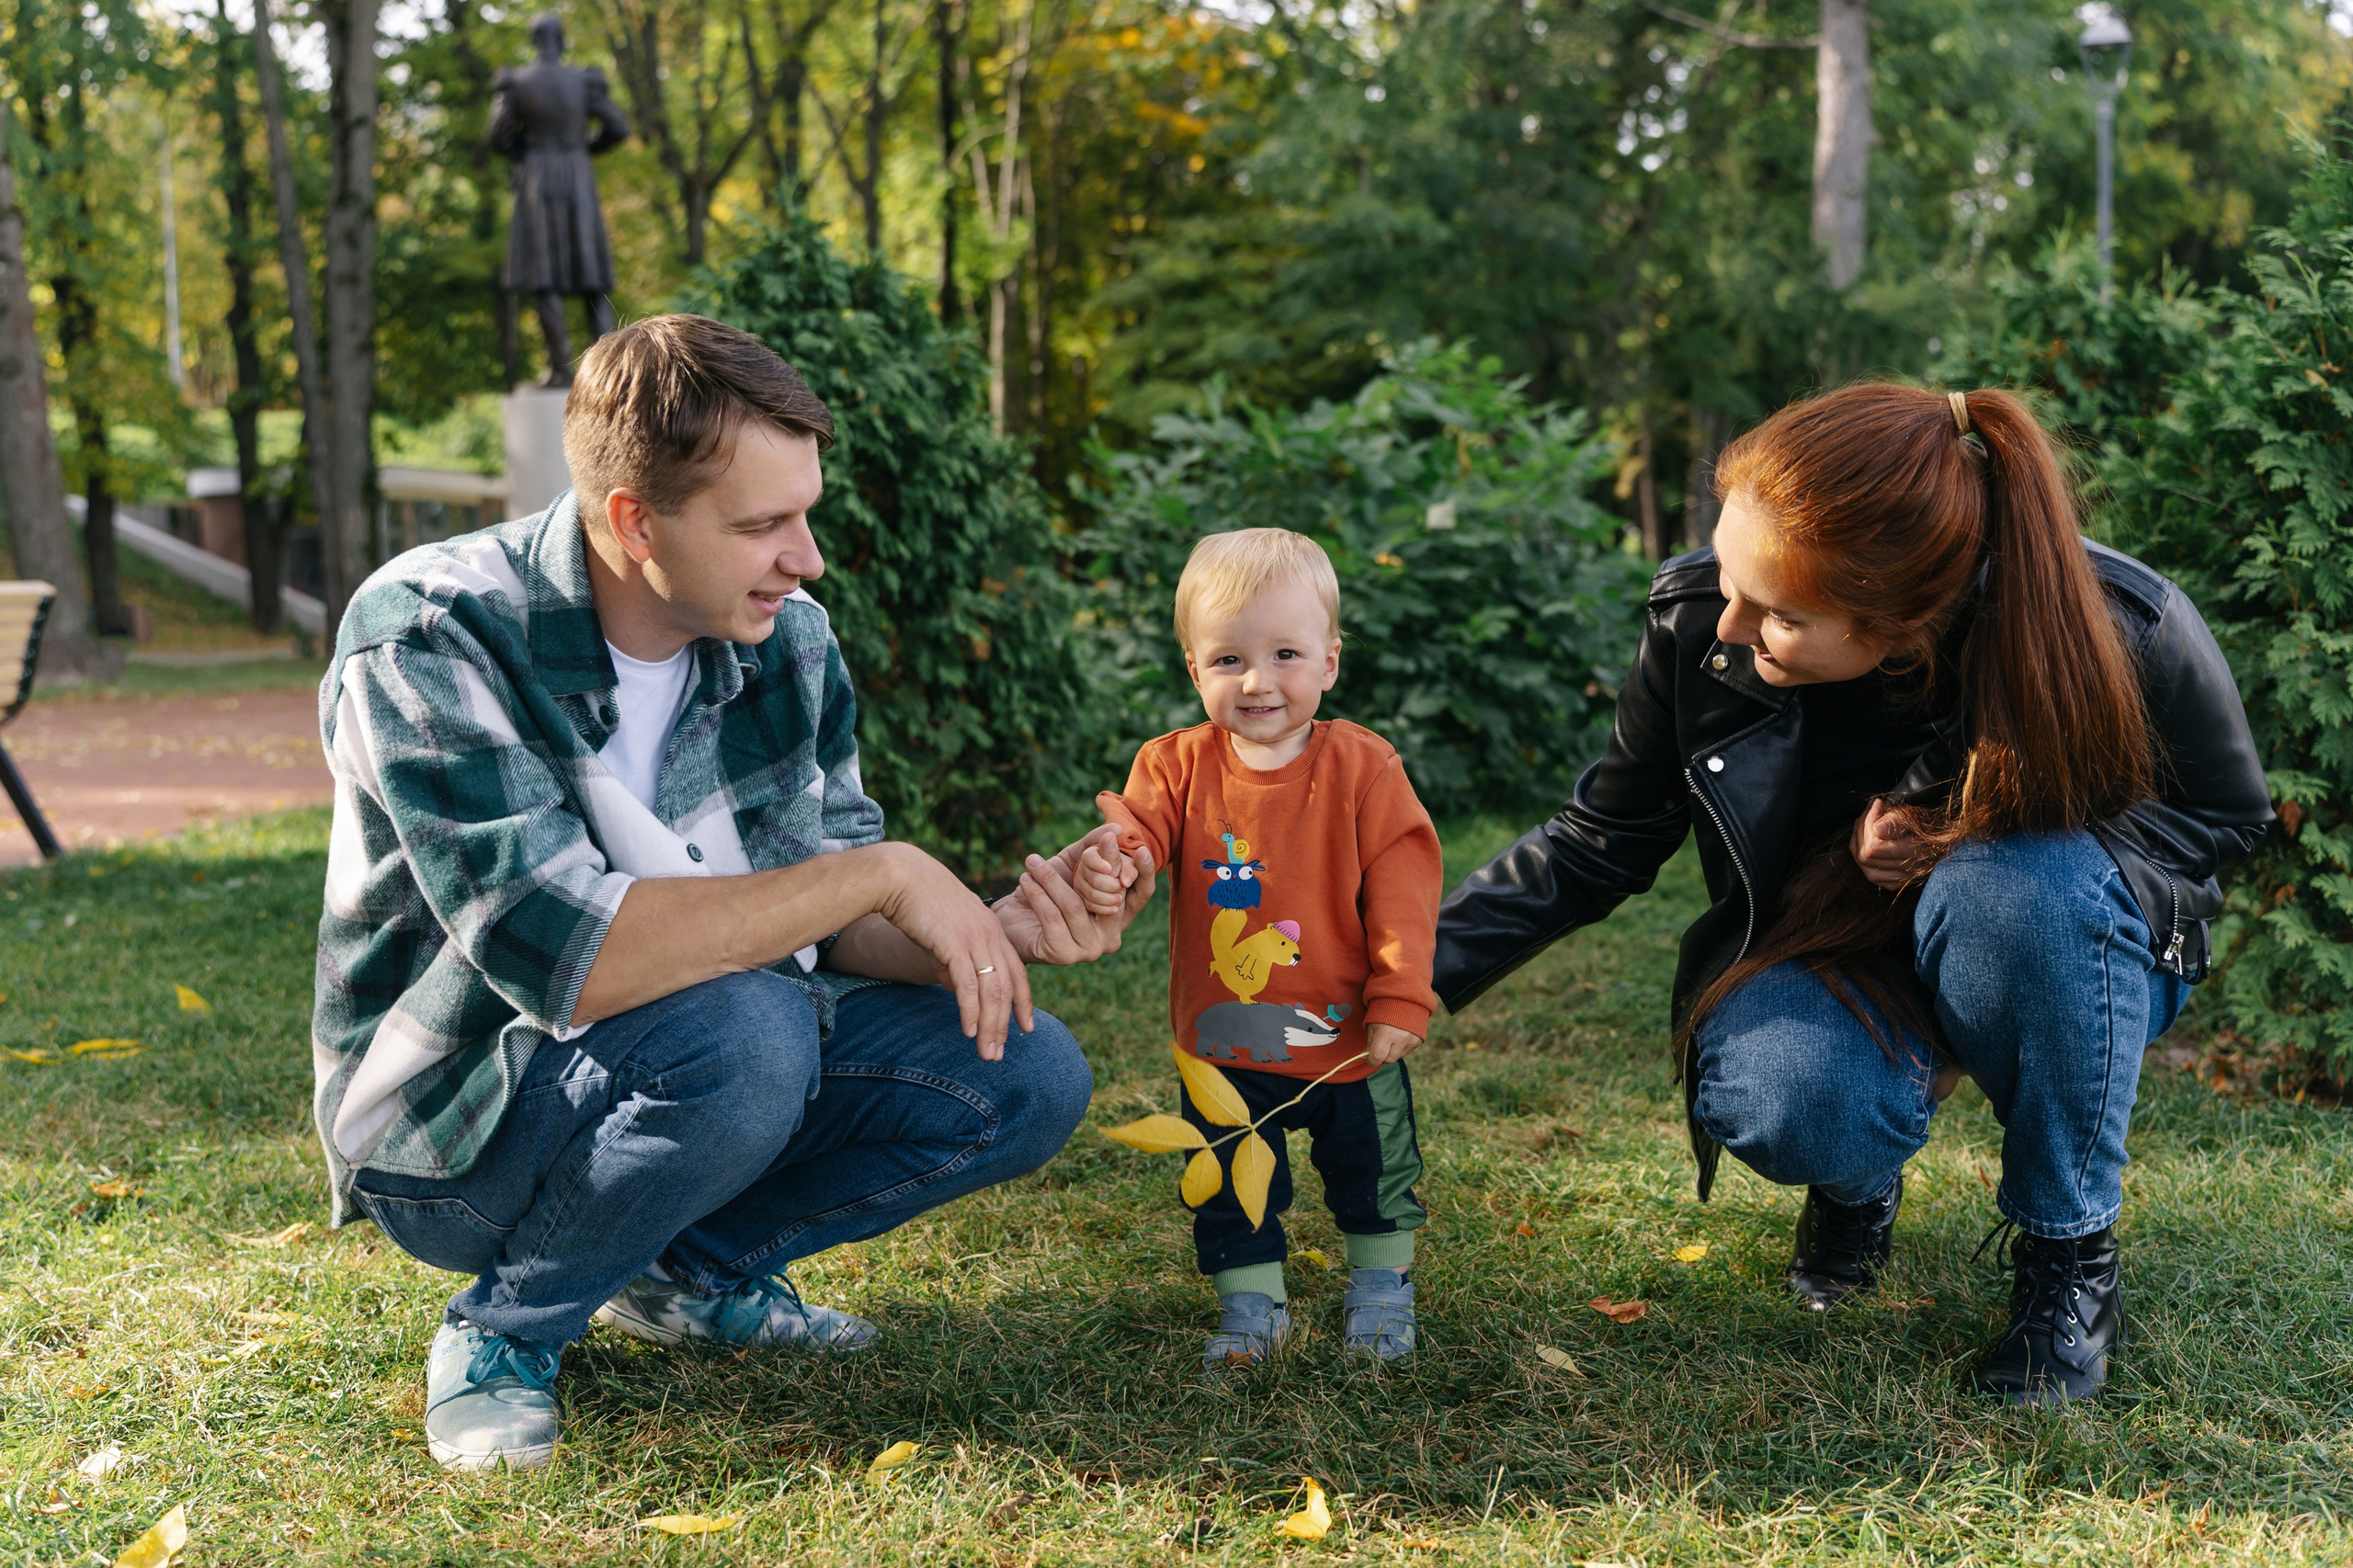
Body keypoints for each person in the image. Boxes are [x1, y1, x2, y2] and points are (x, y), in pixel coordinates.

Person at [312, 314, 1154, 1471]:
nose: (805, 557)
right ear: (632, 520)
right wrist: (888, 871)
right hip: (462, 1119)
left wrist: (984, 930)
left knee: (1027, 1071)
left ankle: (684, 1275)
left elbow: (834, 912)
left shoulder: (786, 640)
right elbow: (562, 955)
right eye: (762, 525)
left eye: (803, 512)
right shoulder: (431, 632)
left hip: (703, 1055)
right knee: (748, 1031)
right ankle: (507, 1326)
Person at [1431, 383, 2271, 1407]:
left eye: (1780, 612)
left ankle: (2066, 1260)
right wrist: (1405, 975)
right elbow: (1600, 837)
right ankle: (1854, 1176)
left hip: (2051, 941)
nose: (1729, 625)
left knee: (2016, 887)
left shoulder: (2116, 622)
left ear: (1903, 620)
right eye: (1731, 579)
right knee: (1789, 1100)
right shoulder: (1702, 619)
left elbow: (2220, 819)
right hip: (1827, 947)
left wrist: (1972, 830)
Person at [1094, 528, 1442, 1369]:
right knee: (1228, 1182)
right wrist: (1114, 863)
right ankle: (1252, 1307)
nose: (1256, 681)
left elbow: (1404, 882)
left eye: (1284, 653)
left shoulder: (1362, 766)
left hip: (1347, 1035)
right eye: (1227, 659)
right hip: (1221, 1041)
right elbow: (1137, 837)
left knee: (1376, 1169)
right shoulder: (1173, 766)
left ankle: (1382, 1291)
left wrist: (1401, 995)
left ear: (1329, 661)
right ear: (1192, 669)